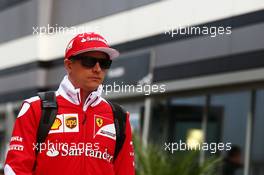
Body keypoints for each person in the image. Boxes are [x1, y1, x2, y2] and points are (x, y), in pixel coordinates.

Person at [4, 32, 135, 175]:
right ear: (69, 65)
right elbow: (16, 169)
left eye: (104, 63)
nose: (97, 69)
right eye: (89, 61)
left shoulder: (119, 116)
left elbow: (125, 171)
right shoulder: (36, 107)